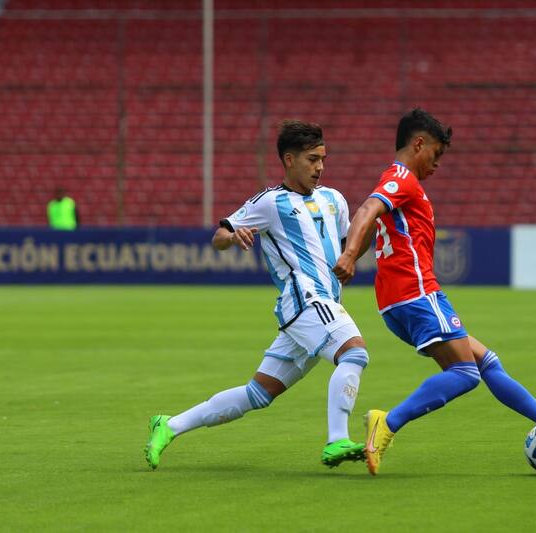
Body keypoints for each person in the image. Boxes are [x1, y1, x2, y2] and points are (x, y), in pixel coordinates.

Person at [332, 108, 536, 475]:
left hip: (401, 299)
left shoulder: (402, 185)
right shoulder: (402, 178)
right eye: (436, 154)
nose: (437, 164)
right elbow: (367, 209)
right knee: (466, 373)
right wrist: (347, 254)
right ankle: (387, 422)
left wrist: (352, 257)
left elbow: (375, 221)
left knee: (487, 362)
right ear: (418, 143)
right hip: (417, 293)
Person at [145, 121, 370, 470]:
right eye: (312, 160)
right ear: (289, 160)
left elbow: (343, 250)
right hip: (305, 302)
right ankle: (336, 439)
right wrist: (232, 238)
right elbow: (219, 236)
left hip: (325, 304)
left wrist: (352, 258)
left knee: (259, 393)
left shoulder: (334, 199)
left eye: (323, 159)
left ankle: (169, 425)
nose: (320, 167)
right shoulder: (269, 202)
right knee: (354, 354)